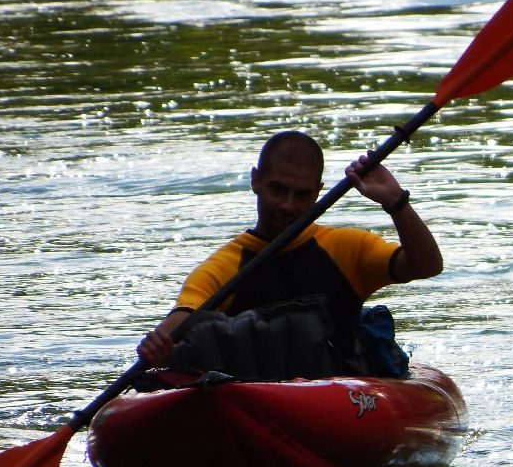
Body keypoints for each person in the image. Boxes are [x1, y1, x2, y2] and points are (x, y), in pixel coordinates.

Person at [136, 130, 442, 376]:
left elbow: (427, 265)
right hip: (256, 394)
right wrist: (159, 342)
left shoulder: (346, 248)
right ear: (256, 180)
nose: (288, 206)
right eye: (278, 190)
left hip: (339, 390)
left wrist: (396, 203)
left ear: (318, 191)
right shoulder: (225, 266)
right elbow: (183, 316)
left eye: (302, 195)